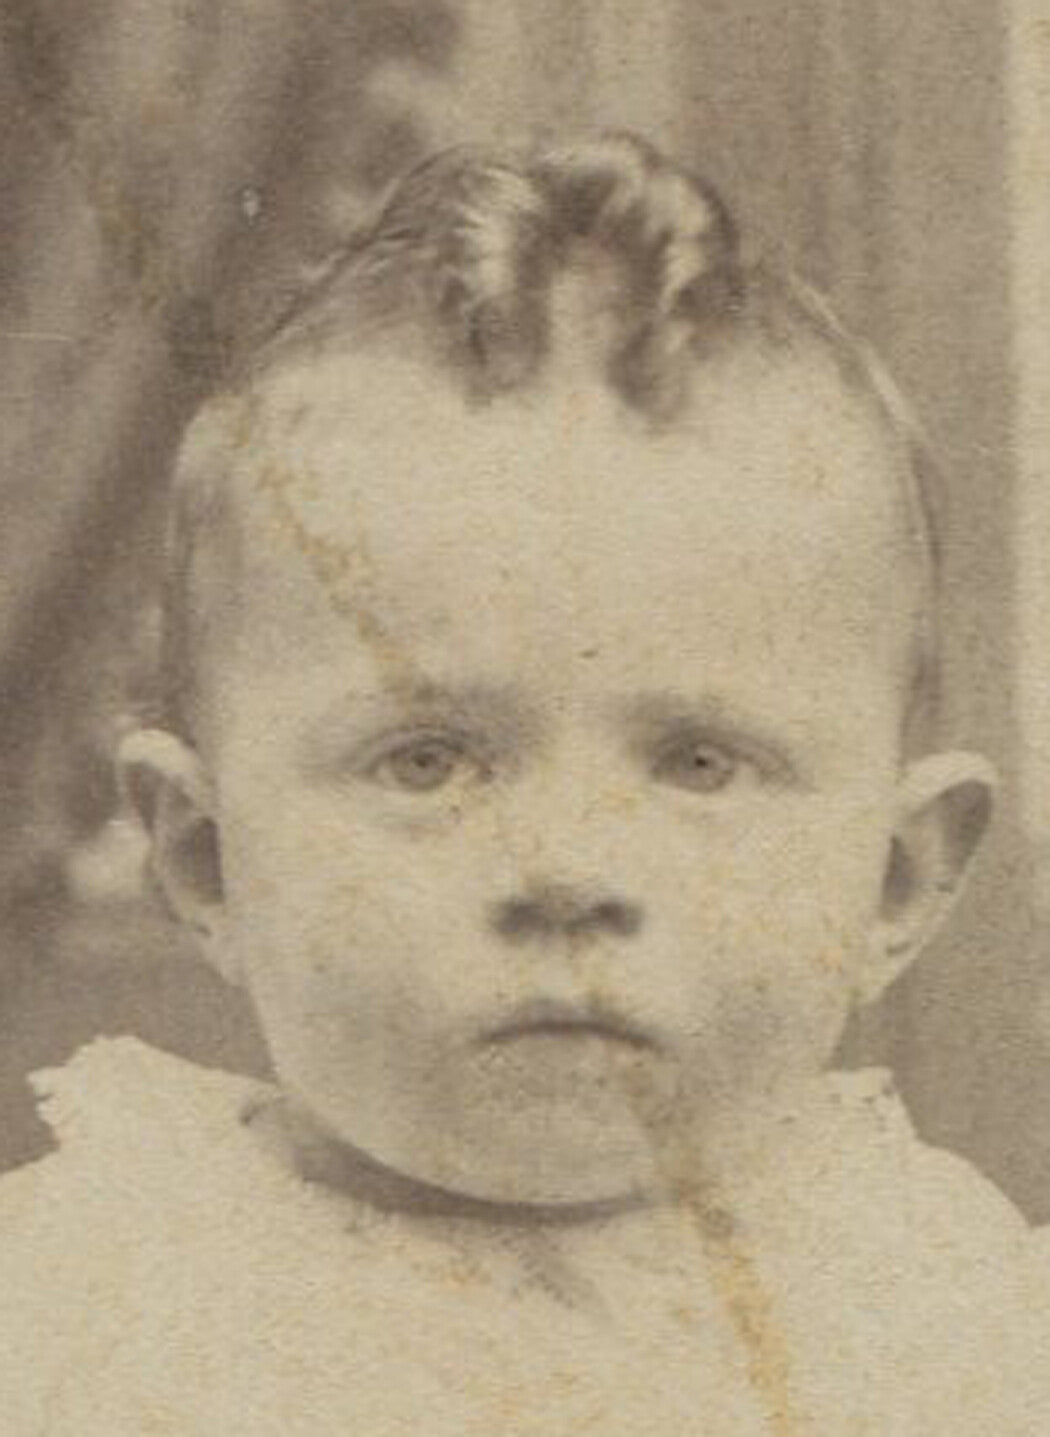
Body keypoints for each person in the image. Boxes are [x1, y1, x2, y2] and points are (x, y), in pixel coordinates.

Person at [1, 133, 1046, 1434]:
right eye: (426, 759)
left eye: (698, 761)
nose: (564, 865)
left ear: (897, 877)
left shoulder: (951, 1321)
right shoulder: (87, 1303)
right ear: (207, 856)